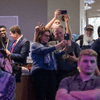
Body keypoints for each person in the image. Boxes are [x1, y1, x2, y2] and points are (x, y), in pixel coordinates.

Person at [30, 27, 70, 100]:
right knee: (41, 96)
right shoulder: (35, 45)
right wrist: (59, 45)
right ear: (40, 36)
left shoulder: (49, 46)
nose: (48, 38)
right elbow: (44, 50)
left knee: (52, 96)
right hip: (40, 72)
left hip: (51, 72)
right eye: (46, 35)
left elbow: (57, 56)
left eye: (49, 36)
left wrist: (65, 48)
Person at [49, 14, 81, 87]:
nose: (59, 35)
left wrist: (75, 59)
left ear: (64, 32)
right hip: (60, 75)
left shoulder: (73, 44)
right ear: (54, 35)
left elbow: (82, 58)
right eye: (57, 34)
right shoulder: (52, 45)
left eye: (60, 33)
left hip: (74, 73)